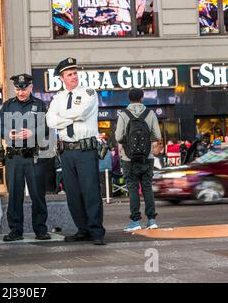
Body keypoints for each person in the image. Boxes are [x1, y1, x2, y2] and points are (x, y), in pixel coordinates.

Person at [46, 57, 106, 246]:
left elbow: (81, 114)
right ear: (62, 78)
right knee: (73, 194)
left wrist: (61, 117)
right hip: (67, 151)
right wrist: (68, 119)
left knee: (90, 192)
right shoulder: (58, 97)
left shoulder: (88, 92)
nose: (74, 77)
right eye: (69, 74)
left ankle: (96, 231)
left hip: (85, 149)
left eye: (75, 73)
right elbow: (49, 121)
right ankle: (83, 229)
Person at [0, 73, 51, 242]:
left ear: (30, 87)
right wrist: (8, 133)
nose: (20, 92)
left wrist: (32, 133)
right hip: (14, 157)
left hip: (33, 157)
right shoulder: (7, 106)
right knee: (14, 195)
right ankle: (15, 230)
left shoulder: (40, 105)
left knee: (37, 195)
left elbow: (47, 129)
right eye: (17, 89)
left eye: (24, 88)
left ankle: (40, 229)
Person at [115, 88, 161, 232]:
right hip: (147, 157)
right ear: (142, 98)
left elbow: (118, 137)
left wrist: (128, 142)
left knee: (133, 188)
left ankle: (135, 221)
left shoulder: (123, 114)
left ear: (129, 99)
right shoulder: (150, 113)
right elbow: (157, 135)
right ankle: (152, 220)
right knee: (147, 187)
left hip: (128, 158)